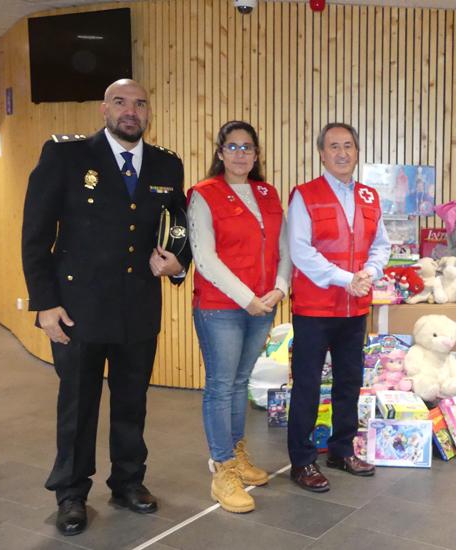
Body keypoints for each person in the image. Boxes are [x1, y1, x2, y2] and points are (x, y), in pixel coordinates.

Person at [21, 79, 189, 536]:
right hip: (78, 309)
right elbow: (36, 233)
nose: (130, 111)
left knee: (132, 403)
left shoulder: (166, 164)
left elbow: (179, 227)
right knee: (78, 404)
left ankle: (128, 481)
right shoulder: (66, 155)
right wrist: (45, 303)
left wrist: (177, 263)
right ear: (103, 109)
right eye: (120, 102)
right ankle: (71, 492)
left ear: (148, 113)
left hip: (138, 307)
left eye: (139, 104)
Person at [187, 121, 291, 513]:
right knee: (219, 385)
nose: (241, 154)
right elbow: (205, 257)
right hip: (221, 308)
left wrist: (280, 288)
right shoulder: (204, 194)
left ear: (257, 154)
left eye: (248, 147)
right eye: (232, 147)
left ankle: (237, 454)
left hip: (263, 304)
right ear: (220, 152)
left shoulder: (267, 193)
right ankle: (223, 469)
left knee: (239, 383)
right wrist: (248, 298)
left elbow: (284, 246)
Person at [287, 123, 390, 492]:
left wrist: (370, 271)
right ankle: (301, 462)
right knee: (308, 386)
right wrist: (346, 278)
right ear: (322, 153)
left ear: (357, 152)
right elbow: (301, 251)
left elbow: (381, 244)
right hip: (315, 309)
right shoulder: (305, 195)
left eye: (348, 146)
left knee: (349, 381)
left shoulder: (368, 196)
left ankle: (341, 449)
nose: (342, 153)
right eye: (334, 146)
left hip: (355, 309)